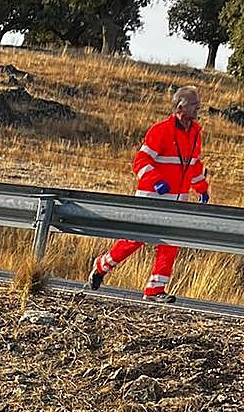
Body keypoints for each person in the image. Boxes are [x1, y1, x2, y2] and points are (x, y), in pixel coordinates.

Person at [88, 85, 210, 303]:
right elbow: (141, 161)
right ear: (180, 107)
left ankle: (155, 290)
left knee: (170, 243)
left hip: (178, 199)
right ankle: (101, 266)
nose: (198, 107)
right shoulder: (160, 131)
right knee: (134, 240)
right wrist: (157, 182)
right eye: (194, 104)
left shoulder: (195, 133)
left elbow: (193, 164)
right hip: (152, 197)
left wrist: (201, 188)